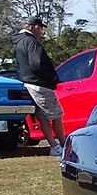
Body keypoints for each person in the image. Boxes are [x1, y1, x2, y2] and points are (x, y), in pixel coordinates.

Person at [13, 15, 65, 155]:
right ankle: (63, 144)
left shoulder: (18, 42)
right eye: (40, 28)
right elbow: (36, 64)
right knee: (56, 116)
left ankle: (54, 146)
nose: (41, 31)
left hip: (27, 84)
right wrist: (51, 78)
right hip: (40, 84)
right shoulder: (32, 42)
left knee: (43, 118)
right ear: (33, 26)